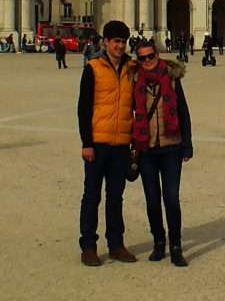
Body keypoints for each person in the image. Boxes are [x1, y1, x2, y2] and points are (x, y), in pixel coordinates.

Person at [77, 20, 137, 267]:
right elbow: (83, 108)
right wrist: (86, 143)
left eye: (123, 42)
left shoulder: (132, 69)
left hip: (121, 144)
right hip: (98, 143)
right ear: (105, 43)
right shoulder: (92, 68)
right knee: (92, 196)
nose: (119, 46)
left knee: (116, 197)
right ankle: (88, 246)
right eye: (115, 42)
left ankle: (116, 245)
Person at [132, 40, 193, 267]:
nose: (148, 61)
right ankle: (159, 242)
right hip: (147, 149)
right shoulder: (135, 81)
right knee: (152, 200)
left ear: (157, 55)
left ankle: (175, 246)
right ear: (138, 60)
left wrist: (187, 144)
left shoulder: (173, 80)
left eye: (151, 56)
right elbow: (130, 114)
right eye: (143, 58)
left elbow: (184, 112)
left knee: (171, 199)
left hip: (171, 147)